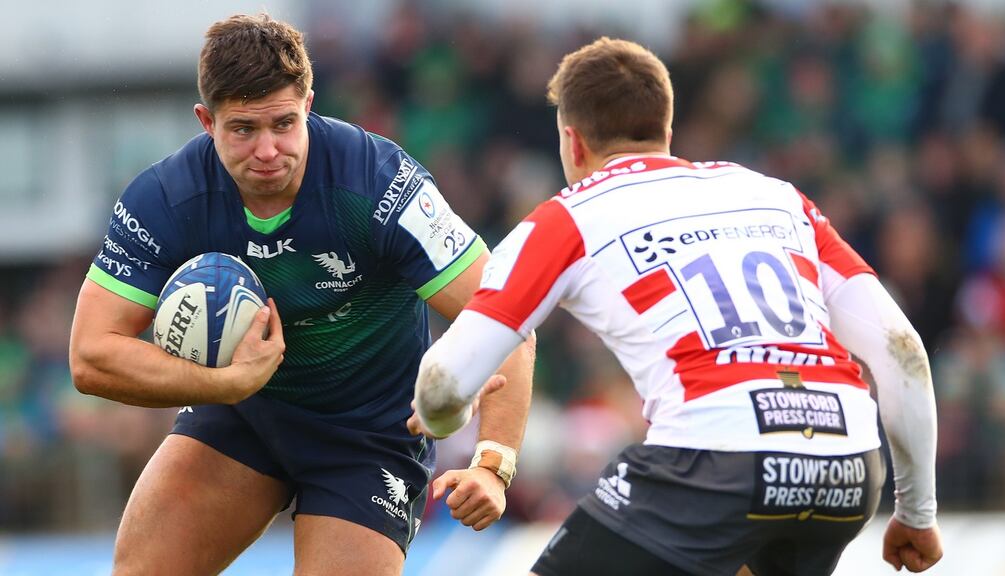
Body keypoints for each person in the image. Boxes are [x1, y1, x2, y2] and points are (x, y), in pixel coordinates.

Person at [412, 37, 943, 575]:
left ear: (572, 143)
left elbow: (441, 384)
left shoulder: (566, 216)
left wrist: (451, 414)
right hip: (845, 462)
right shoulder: (779, 197)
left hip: (713, 460)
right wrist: (917, 513)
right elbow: (904, 352)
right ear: (667, 132)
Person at [68, 13, 534, 575]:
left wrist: (493, 462)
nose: (267, 149)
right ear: (205, 121)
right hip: (242, 416)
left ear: (309, 105)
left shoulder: (379, 183)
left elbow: (507, 316)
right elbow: (91, 354)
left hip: (369, 437)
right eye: (243, 129)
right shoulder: (166, 199)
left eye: (283, 124)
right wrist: (226, 384)